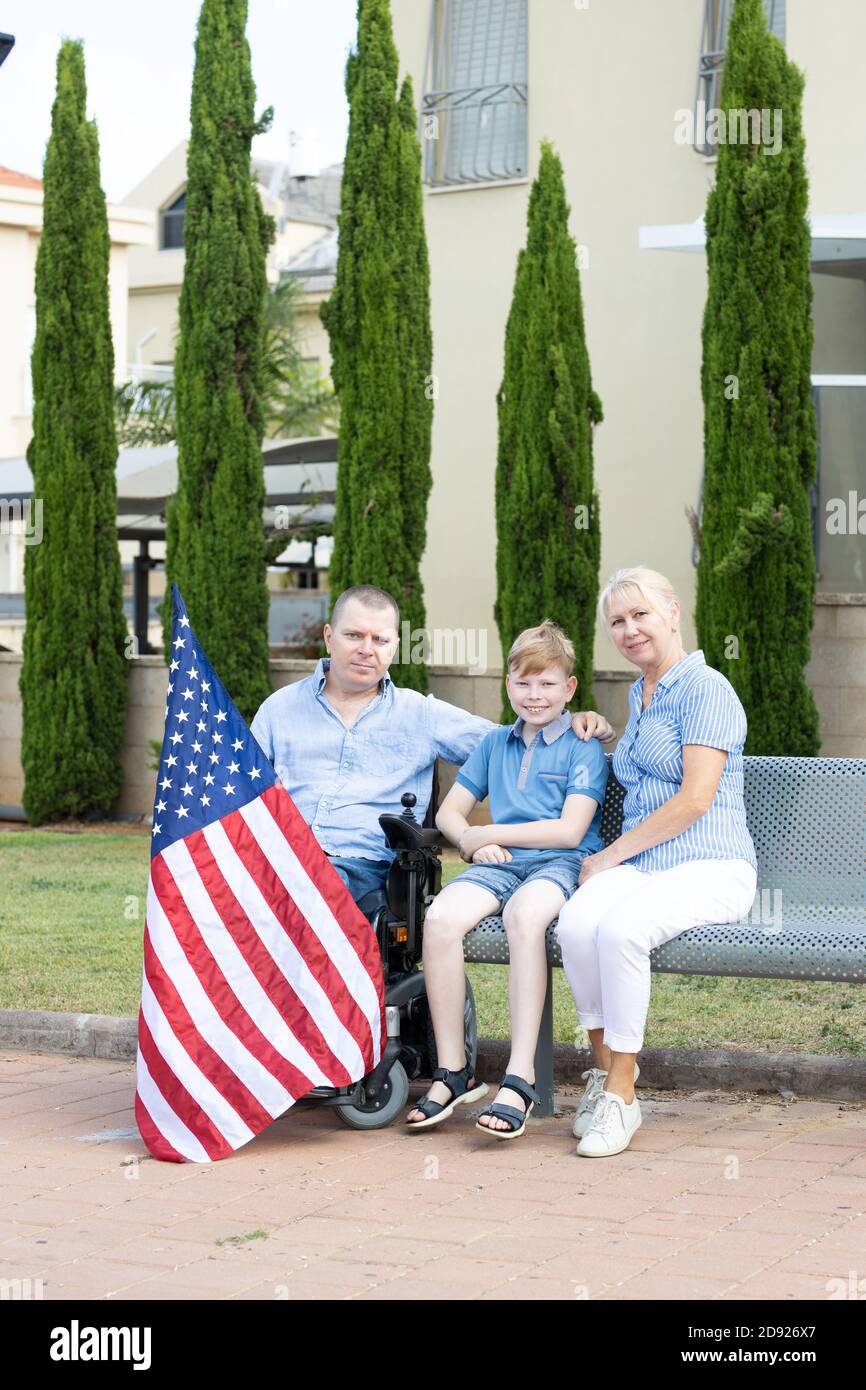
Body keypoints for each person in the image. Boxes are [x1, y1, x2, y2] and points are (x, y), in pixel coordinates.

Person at [251, 585, 615, 918]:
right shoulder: (278, 709)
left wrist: (572, 721)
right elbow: (240, 799)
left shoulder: (422, 715)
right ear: (329, 637)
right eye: (353, 635)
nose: (366, 649)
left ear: (394, 647)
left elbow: (517, 741)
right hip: (280, 860)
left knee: (304, 894)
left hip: (361, 868)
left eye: (380, 639)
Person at [555, 566, 758, 1159]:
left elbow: (695, 798)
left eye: (640, 614)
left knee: (621, 929)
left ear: (672, 612)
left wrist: (611, 855)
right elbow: (644, 768)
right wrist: (598, 730)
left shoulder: (706, 690)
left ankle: (623, 1094)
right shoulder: (640, 694)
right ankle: (602, 1075)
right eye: (617, 621)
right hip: (647, 867)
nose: (629, 629)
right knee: (574, 923)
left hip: (712, 865)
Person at [405, 620, 608, 1139]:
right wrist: (471, 840)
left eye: (547, 684)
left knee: (524, 917)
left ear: (570, 689)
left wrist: (484, 831)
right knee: (442, 918)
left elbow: (570, 830)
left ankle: (521, 1075)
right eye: (523, 682)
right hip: (499, 865)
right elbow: (451, 814)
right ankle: (453, 1069)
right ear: (508, 685)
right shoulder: (495, 743)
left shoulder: (583, 744)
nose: (534, 695)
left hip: (558, 866)